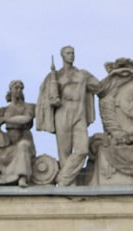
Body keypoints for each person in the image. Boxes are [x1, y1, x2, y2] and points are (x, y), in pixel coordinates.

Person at [36, 45, 100, 186]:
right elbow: (46, 97)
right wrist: (52, 100)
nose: (71, 55)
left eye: (73, 53)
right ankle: (71, 185)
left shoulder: (82, 74)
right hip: (62, 112)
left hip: (79, 111)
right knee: (64, 152)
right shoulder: (55, 76)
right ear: (62, 56)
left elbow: (99, 87)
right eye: (68, 53)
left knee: (82, 149)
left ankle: (63, 178)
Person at [0, 80, 37, 187]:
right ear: (10, 90)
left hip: (24, 140)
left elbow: (26, 119)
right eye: (16, 88)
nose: (19, 90)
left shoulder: (29, 107)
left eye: (21, 88)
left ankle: (22, 177)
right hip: (9, 144)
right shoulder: (4, 109)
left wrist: (5, 120)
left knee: (22, 146)